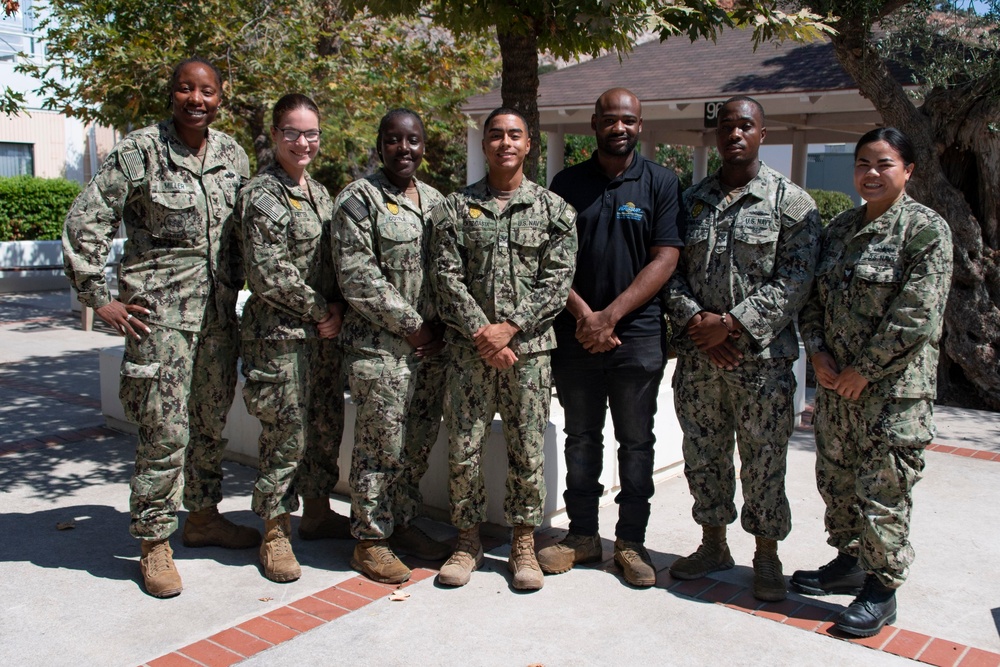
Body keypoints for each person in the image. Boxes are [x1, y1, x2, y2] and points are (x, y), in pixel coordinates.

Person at [63, 57, 258, 598]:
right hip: (160, 320)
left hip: (218, 319)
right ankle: (154, 541)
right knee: (163, 432)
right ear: (171, 94)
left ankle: (203, 518)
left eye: (208, 91)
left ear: (221, 97)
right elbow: (86, 219)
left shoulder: (231, 156)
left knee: (209, 424)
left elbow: (242, 235)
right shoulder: (140, 152)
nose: (197, 100)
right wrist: (99, 298)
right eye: (186, 90)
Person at [791, 128, 952, 636]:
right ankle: (851, 561)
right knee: (837, 484)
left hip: (893, 396)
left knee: (884, 492)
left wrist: (867, 370)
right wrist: (816, 353)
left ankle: (882, 590)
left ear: (908, 170)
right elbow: (812, 298)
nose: (872, 173)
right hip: (837, 391)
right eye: (863, 163)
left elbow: (916, 314)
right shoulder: (839, 230)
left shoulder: (926, 231)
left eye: (884, 164)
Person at [666, 96, 820, 602]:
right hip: (699, 360)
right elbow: (672, 272)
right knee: (703, 454)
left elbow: (796, 280)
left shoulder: (791, 204)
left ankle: (767, 556)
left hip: (761, 364)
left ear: (762, 134)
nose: (735, 134)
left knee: (763, 461)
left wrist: (731, 324)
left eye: (745, 126)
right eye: (727, 126)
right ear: (717, 135)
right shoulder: (690, 201)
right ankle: (713, 544)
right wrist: (697, 322)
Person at [537, 88, 683, 587]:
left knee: (636, 443)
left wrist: (611, 316)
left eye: (629, 120)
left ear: (640, 125)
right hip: (576, 331)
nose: (619, 127)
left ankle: (630, 542)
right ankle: (580, 537)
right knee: (581, 438)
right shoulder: (566, 182)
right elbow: (549, 258)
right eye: (610, 119)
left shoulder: (662, 182)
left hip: (637, 337)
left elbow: (666, 257)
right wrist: (585, 315)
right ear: (593, 123)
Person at [430, 108, 577, 590]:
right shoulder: (453, 209)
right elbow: (445, 278)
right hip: (470, 354)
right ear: (484, 143)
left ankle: (523, 544)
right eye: (495, 135)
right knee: (463, 448)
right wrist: (484, 333)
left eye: (514, 135)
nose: (505, 143)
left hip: (529, 355)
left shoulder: (556, 212)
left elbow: (558, 284)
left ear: (529, 144)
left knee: (527, 449)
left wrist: (510, 327)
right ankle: (467, 540)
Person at [332, 108, 451, 585]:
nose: (405, 149)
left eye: (414, 140)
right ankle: (370, 540)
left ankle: (402, 522)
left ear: (424, 146)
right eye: (395, 140)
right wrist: (413, 326)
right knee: (379, 446)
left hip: (429, 353)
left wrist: (441, 330)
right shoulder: (358, 200)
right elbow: (357, 276)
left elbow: (449, 272)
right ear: (380, 145)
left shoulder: (438, 202)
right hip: (381, 352)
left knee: (417, 444)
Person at [236, 93, 350, 584]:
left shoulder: (321, 195)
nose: (303, 142)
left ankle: (319, 510)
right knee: (285, 436)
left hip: (323, 338)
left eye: (311, 134)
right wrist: (319, 308)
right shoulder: (262, 194)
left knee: (325, 425)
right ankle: (275, 530)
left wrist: (339, 308)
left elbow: (335, 265)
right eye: (292, 132)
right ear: (275, 134)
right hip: (279, 339)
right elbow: (267, 273)